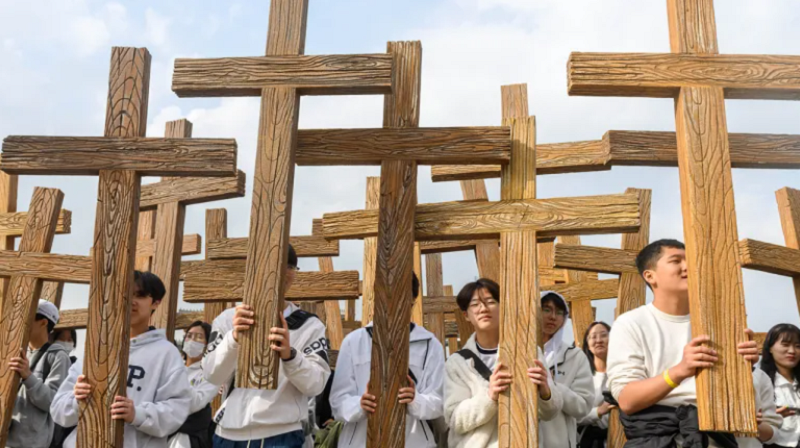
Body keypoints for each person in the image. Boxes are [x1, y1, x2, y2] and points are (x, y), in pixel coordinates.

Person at [606, 239, 762, 446]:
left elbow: (748, 406)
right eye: (676, 261)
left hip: (717, 436)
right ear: (650, 276)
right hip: (658, 439)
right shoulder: (630, 323)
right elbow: (627, 400)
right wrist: (679, 371)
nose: (688, 266)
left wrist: (743, 372)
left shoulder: (720, 323)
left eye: (690, 260)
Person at [204, 244, 331, 448]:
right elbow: (211, 374)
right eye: (274, 264)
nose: (282, 271)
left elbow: (316, 384)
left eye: (290, 266)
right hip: (226, 431)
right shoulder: (228, 319)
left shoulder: (309, 325)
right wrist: (234, 337)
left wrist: (290, 356)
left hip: (281, 433)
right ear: (254, 268)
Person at [51, 271, 192, 448]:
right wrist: (76, 399)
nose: (132, 301)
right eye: (126, 294)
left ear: (156, 302)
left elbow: (177, 410)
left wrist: (137, 414)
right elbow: (58, 410)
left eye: (140, 295)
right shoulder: (96, 348)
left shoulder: (166, 353)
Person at [443, 278, 562, 447]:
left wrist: (545, 392)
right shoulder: (457, 363)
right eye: (475, 304)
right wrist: (489, 396)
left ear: (502, 307)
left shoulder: (529, 352)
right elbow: (454, 419)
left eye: (490, 302)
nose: (483, 309)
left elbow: (551, 412)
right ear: (466, 315)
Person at [330, 272, 444, 447]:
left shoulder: (430, 344)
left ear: (412, 301)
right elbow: (337, 402)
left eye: (401, 296)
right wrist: (360, 404)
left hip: (414, 441)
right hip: (360, 441)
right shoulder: (353, 342)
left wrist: (415, 400)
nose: (392, 302)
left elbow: (439, 401)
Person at [6, 300, 71, 448]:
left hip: (31, 444)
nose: (20, 323)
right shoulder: (12, 350)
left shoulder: (58, 356)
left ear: (43, 323)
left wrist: (28, 377)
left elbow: (54, 402)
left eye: (26, 319)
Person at [539, 291, 596, 448]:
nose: (553, 317)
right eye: (546, 309)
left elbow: (584, 406)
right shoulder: (518, 351)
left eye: (559, 312)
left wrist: (552, 386)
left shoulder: (574, 356)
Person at [168, 321, 219, 448]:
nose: (192, 340)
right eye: (189, 336)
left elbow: (194, 403)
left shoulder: (210, 374)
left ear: (208, 345)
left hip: (186, 436)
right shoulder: (172, 366)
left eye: (199, 337)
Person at [757, 323, 800, 448]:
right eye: (785, 345)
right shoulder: (760, 381)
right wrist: (771, 416)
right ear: (770, 348)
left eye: (798, 346)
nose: (792, 351)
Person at [577, 321, 613, 448]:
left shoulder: (623, 374)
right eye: (593, 337)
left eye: (604, 335)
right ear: (587, 344)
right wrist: (598, 411)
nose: (599, 340)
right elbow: (575, 415)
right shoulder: (582, 376)